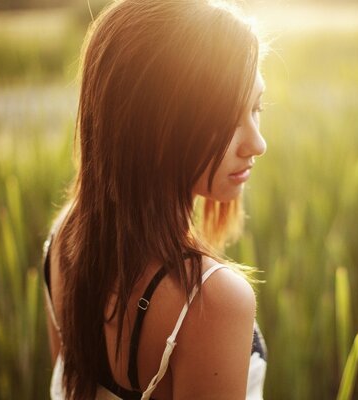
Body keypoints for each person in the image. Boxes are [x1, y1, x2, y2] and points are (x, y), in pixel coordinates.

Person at [41, 0, 268, 399]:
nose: (257, 143)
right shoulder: (211, 303)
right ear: (155, 126)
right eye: (227, 119)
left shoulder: (64, 240)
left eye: (256, 108)